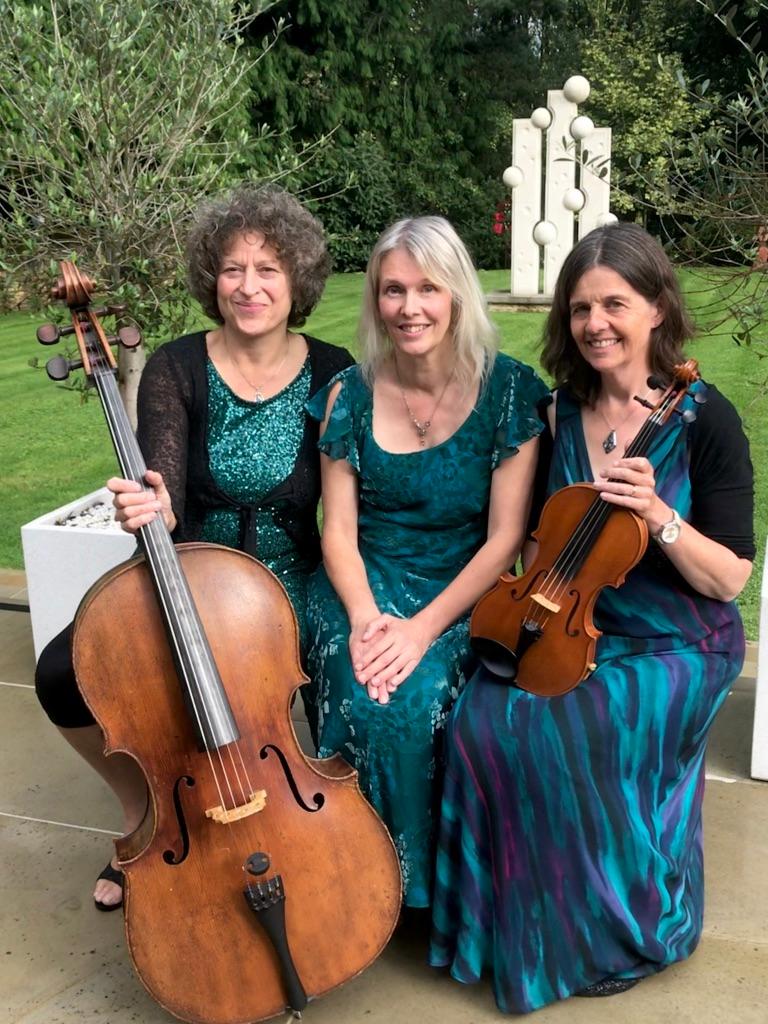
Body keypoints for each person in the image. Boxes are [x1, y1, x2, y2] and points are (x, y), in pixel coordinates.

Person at [429, 222, 754, 1011]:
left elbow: (730, 578)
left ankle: (623, 932)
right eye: (580, 308)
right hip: (570, 621)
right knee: (479, 717)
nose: (596, 323)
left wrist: (660, 518)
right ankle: (501, 925)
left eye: (615, 303)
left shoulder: (705, 420)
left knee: (571, 729)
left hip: (679, 638)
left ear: (655, 308)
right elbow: (536, 538)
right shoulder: (555, 415)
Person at [34, 185, 353, 910]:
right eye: (233, 268)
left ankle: (327, 831)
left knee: (342, 669)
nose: (248, 286)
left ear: (295, 278)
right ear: (212, 277)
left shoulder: (334, 369)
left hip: (292, 582)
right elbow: (162, 484)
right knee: (62, 671)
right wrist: (151, 504)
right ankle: (143, 814)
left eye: (268, 269)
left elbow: (350, 497)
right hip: (193, 574)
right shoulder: (178, 367)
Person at [304, 216, 549, 908]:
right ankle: (359, 880)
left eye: (428, 289)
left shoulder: (508, 393)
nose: (410, 308)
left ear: (458, 295)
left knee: (414, 700)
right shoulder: (349, 396)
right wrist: (364, 620)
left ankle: (426, 895)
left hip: (462, 586)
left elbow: (504, 539)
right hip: (362, 580)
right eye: (393, 290)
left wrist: (419, 630)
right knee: (365, 691)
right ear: (376, 300)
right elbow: (338, 533)